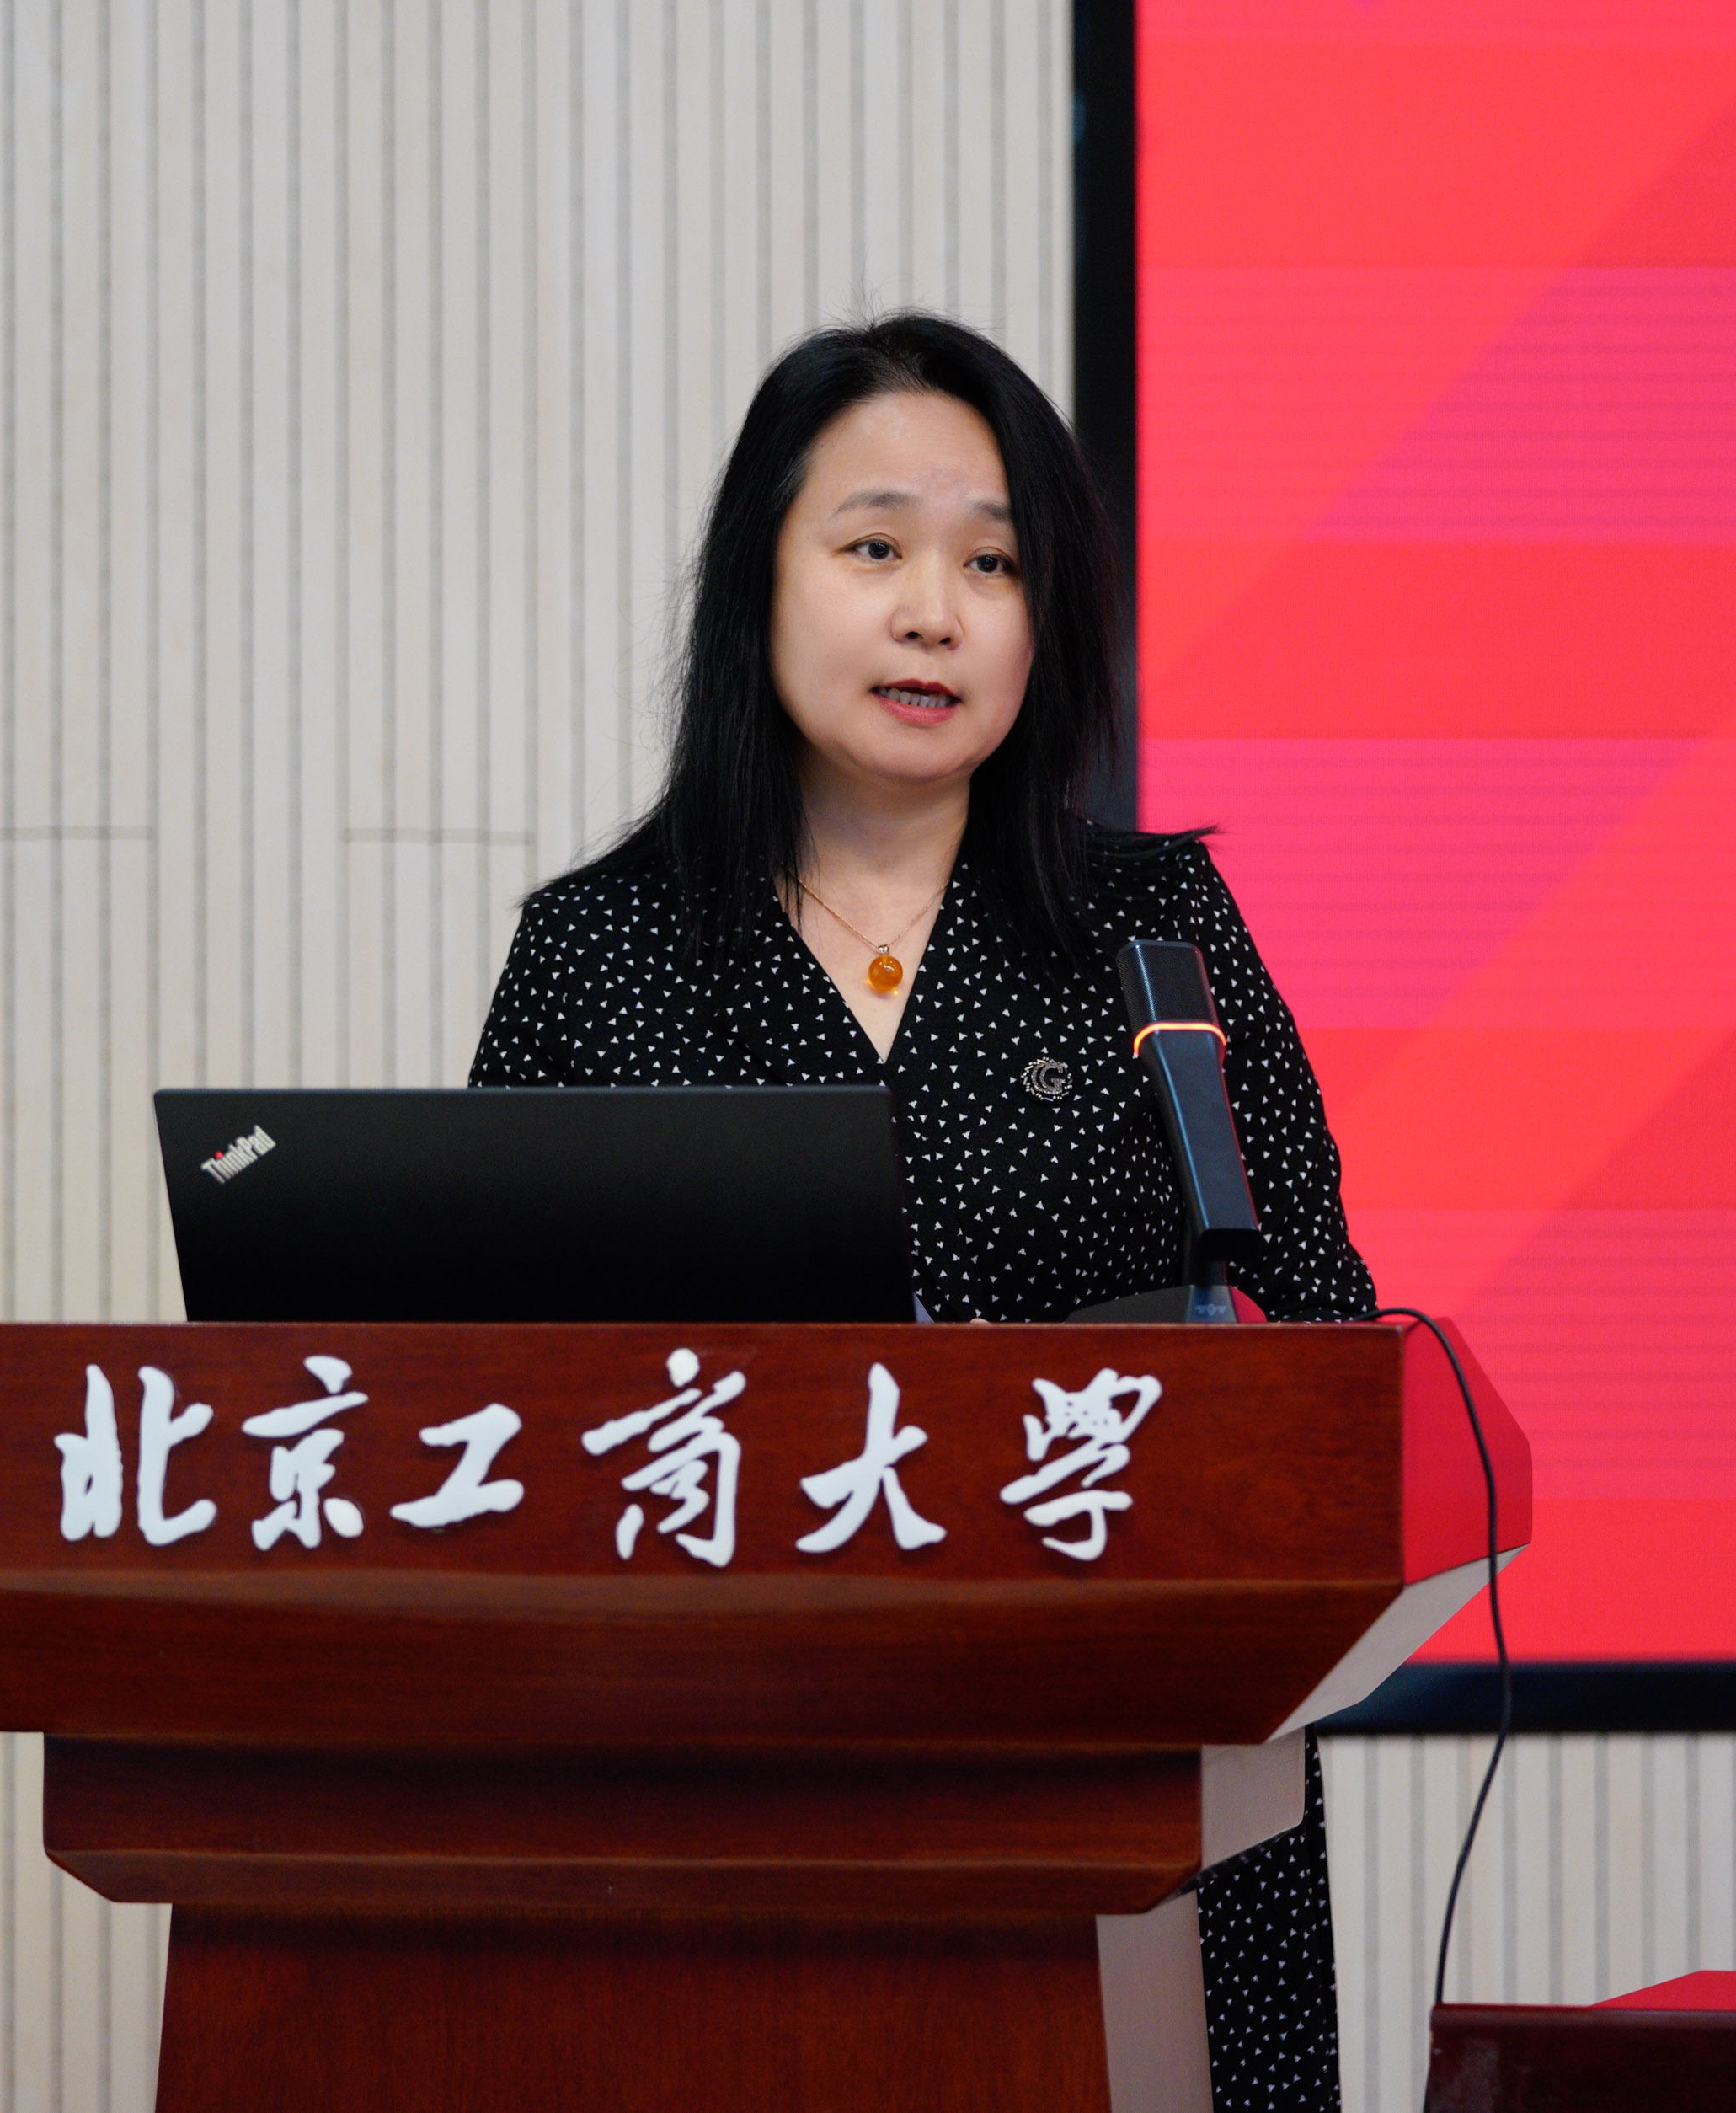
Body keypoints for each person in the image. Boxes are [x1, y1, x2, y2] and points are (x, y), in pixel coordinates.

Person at [468, 313, 1370, 2106]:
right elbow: (491, 1403)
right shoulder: (597, 955)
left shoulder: (1157, 934)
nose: (934, 613)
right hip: (720, 1784)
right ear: (760, 580)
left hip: (1136, 1783)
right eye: (873, 547)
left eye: (993, 564)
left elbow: (1331, 1344)